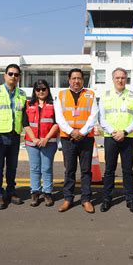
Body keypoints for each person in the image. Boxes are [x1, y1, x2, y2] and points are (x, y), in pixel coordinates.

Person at [55, 68, 98, 213]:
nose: (76, 81)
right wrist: (71, 131)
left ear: (83, 80)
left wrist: (82, 132)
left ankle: (86, 199)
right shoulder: (61, 95)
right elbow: (59, 117)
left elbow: (94, 115)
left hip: (86, 138)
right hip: (68, 138)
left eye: (79, 78)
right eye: (73, 78)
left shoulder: (90, 95)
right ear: (69, 80)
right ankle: (68, 198)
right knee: (70, 169)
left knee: (86, 170)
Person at [99, 68, 133, 214]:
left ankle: (130, 200)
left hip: (127, 138)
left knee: (127, 171)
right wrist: (113, 132)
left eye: (123, 78)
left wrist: (124, 132)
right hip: (110, 137)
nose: (120, 80)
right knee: (109, 170)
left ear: (126, 79)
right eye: (117, 78)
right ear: (113, 79)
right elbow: (102, 118)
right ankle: (106, 199)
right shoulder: (105, 96)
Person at [0, 64, 27, 210]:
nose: (13, 77)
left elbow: (23, 116)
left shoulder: (22, 94)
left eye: (16, 74)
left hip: (15, 136)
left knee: (12, 167)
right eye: (11, 74)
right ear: (5, 75)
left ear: (19, 77)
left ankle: (11, 191)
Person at [22, 79, 59, 207]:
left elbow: (56, 123)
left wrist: (46, 139)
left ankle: (48, 192)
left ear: (48, 90)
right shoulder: (28, 104)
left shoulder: (54, 105)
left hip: (49, 142)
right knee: (35, 168)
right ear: (35, 91)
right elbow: (25, 124)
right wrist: (34, 139)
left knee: (47, 168)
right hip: (32, 143)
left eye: (44, 89)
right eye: (38, 89)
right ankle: (35, 192)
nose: (41, 91)